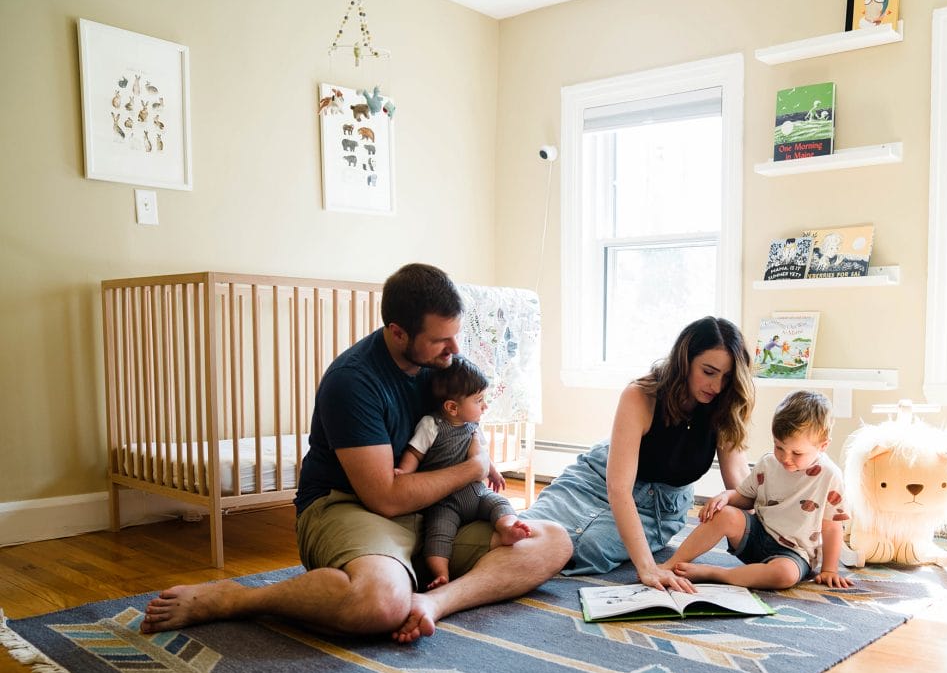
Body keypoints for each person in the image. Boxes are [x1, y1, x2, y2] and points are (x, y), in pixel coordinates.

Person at [140, 263, 571, 642]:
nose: (455, 350)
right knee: (378, 603)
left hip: (437, 512)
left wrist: (479, 461)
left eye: (456, 335)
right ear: (398, 332)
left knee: (552, 541)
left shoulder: (439, 368)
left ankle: (432, 603)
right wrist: (474, 468)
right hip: (350, 508)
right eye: (442, 339)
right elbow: (384, 497)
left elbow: (463, 423)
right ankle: (242, 599)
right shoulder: (354, 381)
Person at [523, 317, 755, 593]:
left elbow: (742, 485)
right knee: (528, 530)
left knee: (586, 548)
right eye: (708, 371)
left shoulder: (724, 405)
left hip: (659, 509)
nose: (716, 386)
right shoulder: (641, 395)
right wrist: (646, 567)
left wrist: (779, 539)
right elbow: (618, 487)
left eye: (726, 378)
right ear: (685, 360)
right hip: (597, 480)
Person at [663, 389, 853, 590]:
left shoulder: (830, 476)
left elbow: (832, 527)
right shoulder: (768, 463)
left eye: (797, 453)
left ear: (823, 446)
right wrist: (726, 497)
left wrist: (829, 569)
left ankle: (717, 574)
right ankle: (670, 565)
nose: (786, 458)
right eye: (779, 447)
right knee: (724, 514)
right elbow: (745, 497)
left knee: (784, 575)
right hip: (757, 535)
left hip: (794, 554)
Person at [395, 354, 532, 587]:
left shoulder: (473, 427)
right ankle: (441, 573)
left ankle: (508, 527)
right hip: (444, 501)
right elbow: (414, 453)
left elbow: (481, 457)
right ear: (452, 407)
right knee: (438, 534)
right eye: (479, 400)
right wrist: (404, 473)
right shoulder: (432, 425)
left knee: (499, 504)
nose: (485, 405)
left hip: (476, 493)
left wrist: (493, 472)